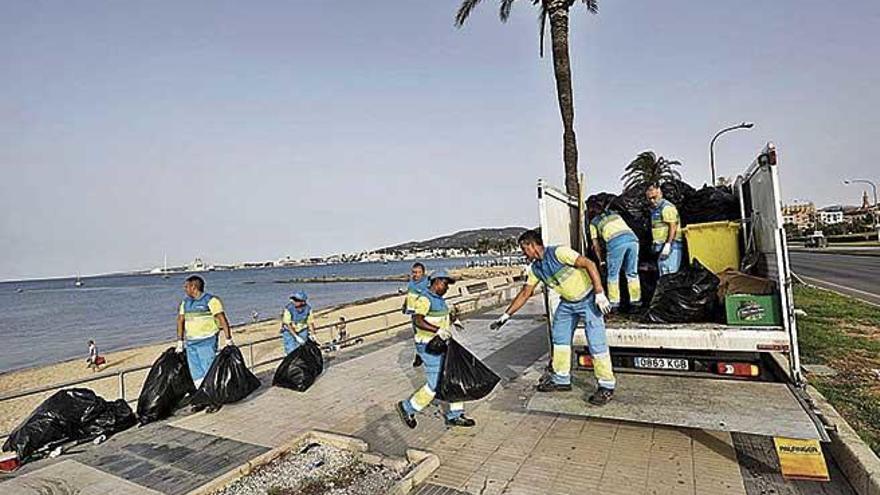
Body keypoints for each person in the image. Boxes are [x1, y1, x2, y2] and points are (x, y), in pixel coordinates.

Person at [490, 230, 616, 406]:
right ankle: (562, 379)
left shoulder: (559, 253)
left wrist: (599, 293)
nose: (523, 253)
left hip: (588, 299)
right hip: (567, 304)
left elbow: (589, 264)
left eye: (523, 249)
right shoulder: (536, 269)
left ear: (532, 245)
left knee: (597, 344)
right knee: (560, 341)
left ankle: (606, 386)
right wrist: (505, 315)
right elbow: (526, 293)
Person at [396, 269, 475, 429]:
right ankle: (407, 408)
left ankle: (455, 415)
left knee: (454, 377)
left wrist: (454, 320)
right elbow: (418, 320)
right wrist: (437, 330)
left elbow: (442, 316)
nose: (447, 288)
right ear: (437, 281)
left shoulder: (439, 299)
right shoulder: (425, 299)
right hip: (429, 346)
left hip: (442, 343)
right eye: (445, 284)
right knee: (434, 384)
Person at [175, 275, 234, 388]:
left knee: (209, 370)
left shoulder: (211, 301)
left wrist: (228, 339)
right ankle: (202, 396)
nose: (185, 289)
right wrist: (180, 341)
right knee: (196, 373)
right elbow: (180, 321)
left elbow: (222, 319)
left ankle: (213, 397)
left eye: (186, 286)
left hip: (207, 341)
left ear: (193, 287)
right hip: (191, 342)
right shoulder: (185, 303)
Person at [588, 204, 641, 311]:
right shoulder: (615, 214)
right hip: (633, 240)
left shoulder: (593, 223)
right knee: (632, 273)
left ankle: (614, 305)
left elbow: (596, 245)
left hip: (616, 243)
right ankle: (636, 303)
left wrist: (601, 260)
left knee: (613, 275)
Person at [646, 184, 683, 275]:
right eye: (649, 198)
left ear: (660, 193)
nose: (652, 201)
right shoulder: (655, 210)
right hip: (661, 246)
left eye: (654, 197)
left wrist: (668, 244)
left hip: (671, 246)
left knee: (670, 274)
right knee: (663, 273)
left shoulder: (666, 208)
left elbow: (672, 226)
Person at [402, 262, 430, 367]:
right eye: (414, 272)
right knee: (417, 336)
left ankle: (424, 356)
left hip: (423, 314)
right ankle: (419, 355)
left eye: (418, 272)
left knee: (425, 335)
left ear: (423, 273)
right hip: (413, 314)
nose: (416, 275)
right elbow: (410, 295)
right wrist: (405, 305)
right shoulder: (411, 282)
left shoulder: (427, 283)